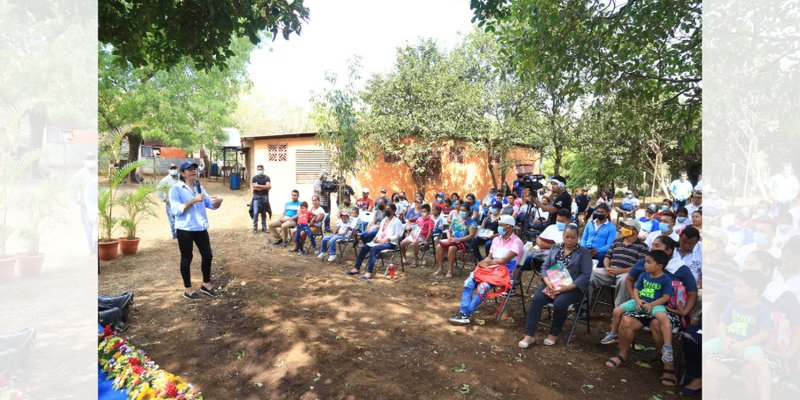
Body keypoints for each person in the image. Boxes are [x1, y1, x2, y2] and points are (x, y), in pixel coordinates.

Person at [604, 251, 675, 380]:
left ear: (659, 266)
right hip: (640, 302)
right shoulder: (643, 275)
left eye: (648, 262)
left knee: (663, 319)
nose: (645, 265)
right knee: (619, 313)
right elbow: (636, 289)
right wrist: (637, 300)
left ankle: (668, 348)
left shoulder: (666, 279)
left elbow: (666, 297)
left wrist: (651, 305)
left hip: (655, 305)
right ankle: (613, 336)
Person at [518, 224, 592, 348]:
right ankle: (529, 335)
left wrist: (567, 288)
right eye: (567, 237)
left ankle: (554, 333)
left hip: (573, 288)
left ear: (577, 238)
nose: (569, 240)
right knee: (537, 299)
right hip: (553, 284)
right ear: (563, 236)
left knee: (560, 302)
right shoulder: (555, 247)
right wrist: (547, 282)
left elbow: (585, 275)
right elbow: (545, 267)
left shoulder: (583, 252)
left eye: (573, 238)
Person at [705, 270, 772, 400]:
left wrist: (743, 345)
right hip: (728, 341)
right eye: (735, 286)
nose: (734, 289)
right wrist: (724, 340)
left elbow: (763, 335)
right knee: (701, 350)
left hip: (749, 344)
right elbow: (722, 324)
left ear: (754, 291)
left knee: (760, 364)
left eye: (739, 287)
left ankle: (766, 397)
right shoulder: (732, 304)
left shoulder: (763, 310)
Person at [449, 215, 523, 325]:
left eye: (501, 225)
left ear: (509, 227)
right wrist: (484, 262)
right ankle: (462, 312)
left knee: (483, 287)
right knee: (469, 283)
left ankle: (466, 314)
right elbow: (490, 256)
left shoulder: (517, 242)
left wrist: (487, 263)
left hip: (504, 272)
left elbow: (504, 260)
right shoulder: (497, 239)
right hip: (492, 268)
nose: (499, 227)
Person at [168, 162, 223, 300]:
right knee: (187, 258)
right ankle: (188, 289)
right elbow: (175, 210)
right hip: (185, 229)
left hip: (200, 227)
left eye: (195, 169)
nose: (193, 171)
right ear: (182, 174)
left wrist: (218, 202)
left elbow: (209, 204)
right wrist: (192, 201)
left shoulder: (199, 186)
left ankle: (206, 284)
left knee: (208, 255)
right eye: (189, 170)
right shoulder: (176, 189)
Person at [590, 219, 648, 307]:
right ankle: (584, 308)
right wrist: (607, 268)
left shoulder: (642, 247)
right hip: (609, 271)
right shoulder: (617, 241)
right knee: (590, 273)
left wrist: (620, 271)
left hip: (626, 273)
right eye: (623, 226)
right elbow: (607, 257)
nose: (623, 229)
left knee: (624, 279)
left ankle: (619, 310)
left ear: (635, 231)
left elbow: (638, 267)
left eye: (627, 227)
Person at [346, 203, 404, 279]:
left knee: (374, 249)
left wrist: (385, 239)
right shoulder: (384, 220)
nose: (386, 210)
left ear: (393, 211)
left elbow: (398, 235)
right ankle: (356, 268)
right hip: (380, 241)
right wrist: (375, 238)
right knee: (364, 248)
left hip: (391, 243)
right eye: (386, 209)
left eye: (389, 209)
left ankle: (368, 272)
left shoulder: (397, 222)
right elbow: (380, 232)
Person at [434, 204, 479, 278]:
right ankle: (440, 268)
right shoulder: (456, 220)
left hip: (464, 243)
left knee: (452, 248)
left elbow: (471, 235)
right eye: (461, 210)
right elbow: (449, 231)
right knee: (439, 246)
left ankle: (450, 271)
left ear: (468, 212)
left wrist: (459, 239)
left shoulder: (472, 223)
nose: (462, 212)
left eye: (464, 210)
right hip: (452, 240)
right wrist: (449, 237)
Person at [68, 153, 98, 254]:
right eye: (89, 159)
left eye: (93, 158)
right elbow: (71, 188)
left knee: (98, 227)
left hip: (98, 205)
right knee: (89, 228)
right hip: (86, 206)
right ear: (85, 161)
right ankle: (93, 250)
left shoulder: (98, 172)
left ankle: (97, 249)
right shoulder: (80, 174)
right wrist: (79, 201)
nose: (91, 161)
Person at [156, 163, 181, 240]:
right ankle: (175, 236)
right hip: (170, 204)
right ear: (168, 170)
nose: (173, 170)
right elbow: (159, 189)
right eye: (172, 168)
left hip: (180, 203)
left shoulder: (180, 178)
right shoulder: (165, 180)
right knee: (172, 220)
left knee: (180, 219)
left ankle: (181, 235)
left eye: (174, 168)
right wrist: (164, 199)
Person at [250, 164, 272, 234]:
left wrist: (258, 186)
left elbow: (268, 186)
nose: (260, 171)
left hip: (264, 198)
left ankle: (264, 227)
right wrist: (264, 187)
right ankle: (255, 228)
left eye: (261, 169)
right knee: (255, 212)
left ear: (263, 169)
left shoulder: (267, 178)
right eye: (258, 169)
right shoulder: (254, 178)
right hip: (256, 197)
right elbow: (254, 186)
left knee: (263, 213)